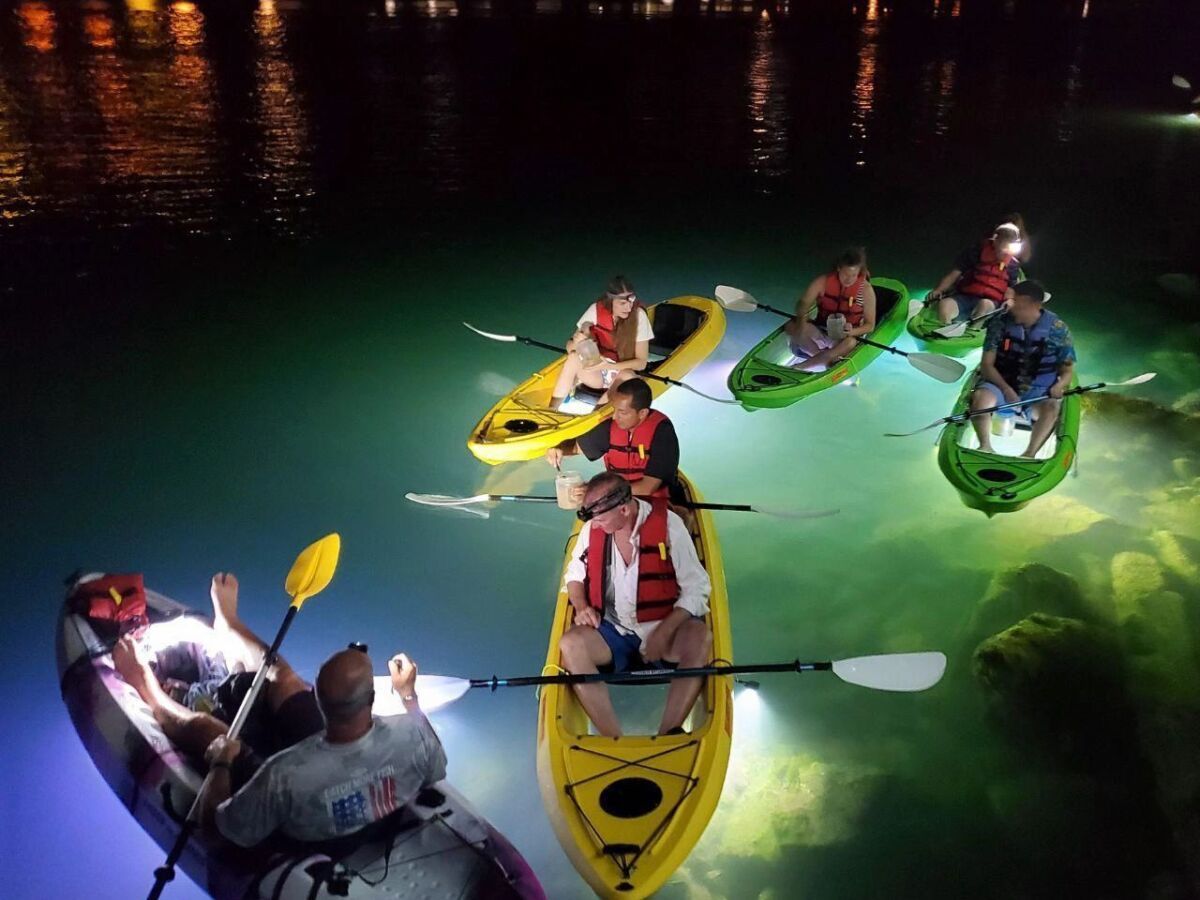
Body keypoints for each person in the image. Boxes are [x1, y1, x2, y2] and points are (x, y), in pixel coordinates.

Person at [111, 572, 444, 845]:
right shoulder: (412, 731)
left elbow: (216, 831)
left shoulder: (283, 775)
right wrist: (408, 696)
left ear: (319, 705)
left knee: (209, 731)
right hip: (349, 781)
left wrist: (222, 763)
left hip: (316, 826)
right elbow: (435, 769)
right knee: (283, 679)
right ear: (373, 699)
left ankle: (144, 683)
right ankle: (229, 623)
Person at [558, 472, 712, 738]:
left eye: (602, 519)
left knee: (700, 637)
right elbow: (573, 576)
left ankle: (667, 732)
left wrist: (665, 631)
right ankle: (611, 736)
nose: (596, 525)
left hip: (664, 626)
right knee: (570, 644)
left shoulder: (670, 527)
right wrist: (582, 606)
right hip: (614, 631)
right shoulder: (592, 529)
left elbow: (698, 589)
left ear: (625, 509)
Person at [967, 279, 1075, 458]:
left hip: (1038, 393)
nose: (1011, 306)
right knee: (981, 397)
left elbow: (1067, 370)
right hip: (1001, 385)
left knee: (1051, 408)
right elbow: (986, 365)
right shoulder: (999, 323)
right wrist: (1006, 389)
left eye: (1018, 303)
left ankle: (1029, 453)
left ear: (1035, 305)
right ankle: (984, 446)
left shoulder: (1058, 329)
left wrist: (1059, 386)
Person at [544, 377, 679, 504]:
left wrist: (600, 492)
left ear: (642, 413)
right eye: (614, 409)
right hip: (615, 497)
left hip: (652, 500)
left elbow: (648, 487)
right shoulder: (612, 425)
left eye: (622, 412)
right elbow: (575, 447)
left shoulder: (662, 432)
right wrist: (559, 448)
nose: (615, 417)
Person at [549, 275, 654, 411]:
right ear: (610, 302)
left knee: (627, 375)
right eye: (622, 303)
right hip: (597, 372)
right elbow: (570, 347)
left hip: (622, 371)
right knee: (573, 357)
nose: (628, 307)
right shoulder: (595, 310)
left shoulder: (639, 316)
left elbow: (641, 363)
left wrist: (612, 366)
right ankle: (552, 408)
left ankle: (595, 416)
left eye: (631, 301)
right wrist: (578, 341)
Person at [783, 247, 877, 373]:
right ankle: (824, 359)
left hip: (844, 337)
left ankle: (799, 367)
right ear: (838, 268)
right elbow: (803, 303)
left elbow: (870, 325)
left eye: (853, 275)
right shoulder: (822, 282)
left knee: (850, 343)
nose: (849, 280)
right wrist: (802, 316)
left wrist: (851, 331)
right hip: (822, 329)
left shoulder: (865, 290)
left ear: (859, 272)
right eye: (845, 274)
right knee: (791, 326)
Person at [927, 219, 1025, 325]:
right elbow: (954, 274)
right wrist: (938, 290)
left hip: (991, 302)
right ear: (996, 240)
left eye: (1010, 246)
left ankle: (973, 331)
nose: (1006, 251)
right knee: (944, 304)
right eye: (1004, 245)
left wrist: (1010, 300)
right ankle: (945, 329)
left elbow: (1011, 287)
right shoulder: (975, 253)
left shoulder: (1013, 265)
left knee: (985, 305)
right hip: (966, 296)